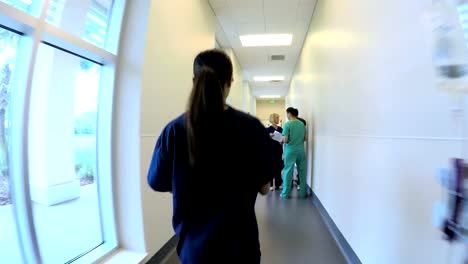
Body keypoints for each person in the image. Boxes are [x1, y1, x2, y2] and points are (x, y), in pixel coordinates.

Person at [147, 49, 273, 264]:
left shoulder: (175, 130)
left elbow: (157, 182)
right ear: (230, 82)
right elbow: (264, 188)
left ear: (194, 81)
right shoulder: (251, 127)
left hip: (196, 250)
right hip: (241, 248)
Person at [281, 107, 307, 199]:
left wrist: (282, 140)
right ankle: (303, 193)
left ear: (289, 113)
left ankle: (285, 194)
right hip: (301, 150)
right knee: (302, 171)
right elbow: (305, 139)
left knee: (288, 171)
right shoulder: (302, 124)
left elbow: (285, 140)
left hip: (290, 150)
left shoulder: (287, 124)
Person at [266, 113, 283, 191]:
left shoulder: (281, 129)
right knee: (271, 167)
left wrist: (282, 141)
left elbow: (283, 139)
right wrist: (269, 137)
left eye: (278, 117)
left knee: (278, 167)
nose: (278, 119)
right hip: (270, 150)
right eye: (277, 117)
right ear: (273, 119)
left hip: (279, 150)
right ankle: (270, 184)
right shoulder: (268, 129)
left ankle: (278, 183)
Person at [294, 111, 307, 190]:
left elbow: (305, 138)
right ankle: (299, 184)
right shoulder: (300, 124)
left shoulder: (290, 124)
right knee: (299, 168)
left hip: (295, 150)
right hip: (298, 149)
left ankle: (298, 183)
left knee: (298, 168)